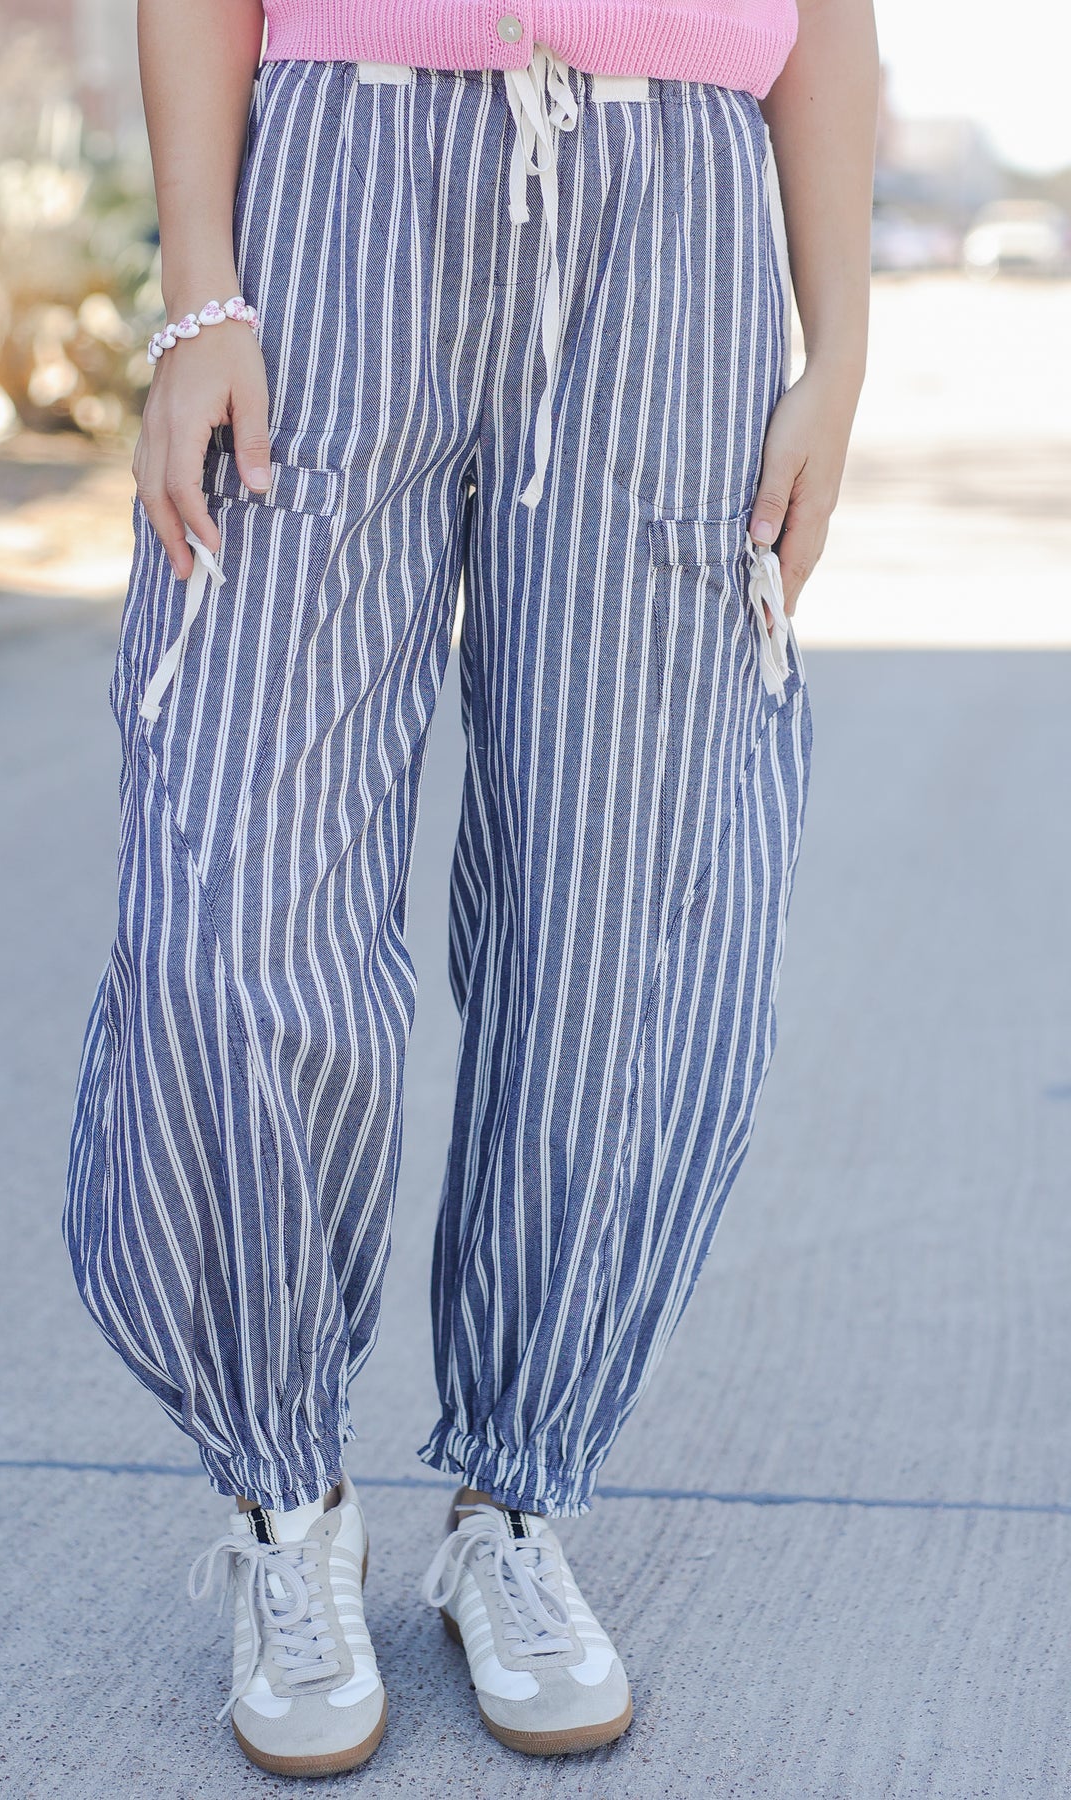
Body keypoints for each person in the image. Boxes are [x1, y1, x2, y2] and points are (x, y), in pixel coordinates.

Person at [64, 0, 877, 1777]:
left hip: (679, 221)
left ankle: (519, 1506)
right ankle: (290, 1504)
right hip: (338, 194)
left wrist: (840, 351)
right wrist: (201, 288)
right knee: (235, 891)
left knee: (623, 916)